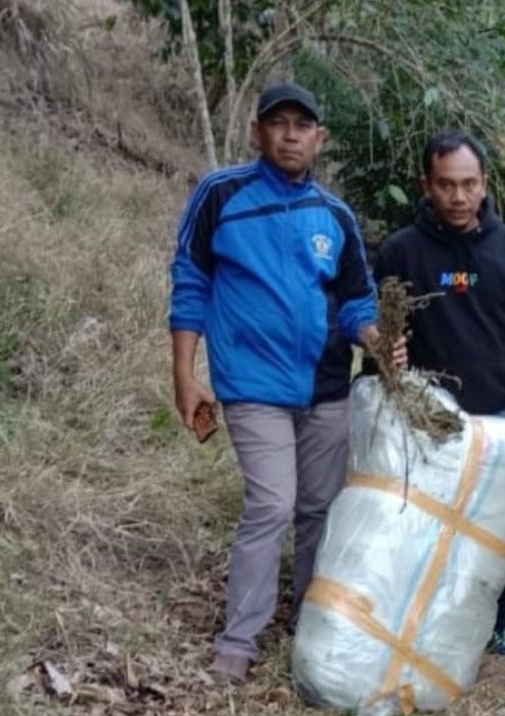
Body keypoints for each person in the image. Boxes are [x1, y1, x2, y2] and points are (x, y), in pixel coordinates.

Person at [169, 83, 405, 685]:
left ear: (320, 139)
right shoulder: (221, 195)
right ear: (258, 132)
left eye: (304, 125)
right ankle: (239, 640)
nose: (291, 134)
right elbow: (191, 283)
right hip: (251, 386)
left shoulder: (336, 216)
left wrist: (377, 339)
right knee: (272, 503)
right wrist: (185, 374)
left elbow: (356, 302)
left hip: (326, 388)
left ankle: (311, 623)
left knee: (319, 510)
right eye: (279, 123)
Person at [370, 130, 505, 655]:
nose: (458, 196)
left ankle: (498, 624)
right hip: (428, 417)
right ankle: (423, 622)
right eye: (446, 185)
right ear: (426, 186)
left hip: (499, 414)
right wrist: (388, 358)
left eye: (468, 184)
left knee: (498, 531)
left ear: (484, 184)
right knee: (423, 525)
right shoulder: (402, 253)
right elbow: (379, 335)